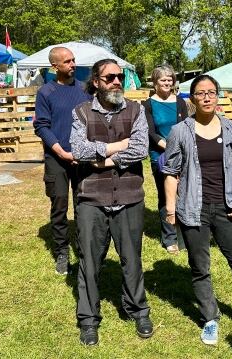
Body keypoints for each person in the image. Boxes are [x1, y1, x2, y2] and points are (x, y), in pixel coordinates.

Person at [162, 75, 232, 345]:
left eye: (211, 92)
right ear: (191, 98)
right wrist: (170, 211)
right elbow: (170, 172)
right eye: (200, 93)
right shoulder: (180, 131)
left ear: (217, 96)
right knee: (200, 267)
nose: (206, 97)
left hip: (227, 208)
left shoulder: (230, 128)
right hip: (193, 208)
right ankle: (210, 319)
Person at [69, 59, 152, 345]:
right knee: (89, 262)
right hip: (92, 198)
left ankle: (138, 310)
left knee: (132, 259)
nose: (117, 82)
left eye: (121, 77)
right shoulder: (80, 112)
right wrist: (118, 147)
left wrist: (101, 159)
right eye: (110, 78)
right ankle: (89, 320)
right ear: (96, 82)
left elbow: (141, 148)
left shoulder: (136, 110)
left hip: (129, 197)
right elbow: (78, 150)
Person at [34, 46, 93, 275]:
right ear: (54, 67)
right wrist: (61, 152)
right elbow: (42, 126)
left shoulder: (85, 90)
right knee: (59, 206)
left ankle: (83, 249)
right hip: (57, 158)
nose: (72, 64)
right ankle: (61, 251)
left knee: (83, 205)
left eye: (73, 60)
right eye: (67, 61)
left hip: (82, 158)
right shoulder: (46, 93)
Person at [142, 64, 189, 255]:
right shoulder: (147, 105)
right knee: (166, 195)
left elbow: (186, 126)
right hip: (160, 155)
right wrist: (169, 148)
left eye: (170, 79)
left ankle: (185, 234)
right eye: (163, 80)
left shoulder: (179, 102)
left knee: (185, 193)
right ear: (155, 82)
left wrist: (181, 148)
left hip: (182, 153)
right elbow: (150, 132)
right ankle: (169, 237)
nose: (167, 83)